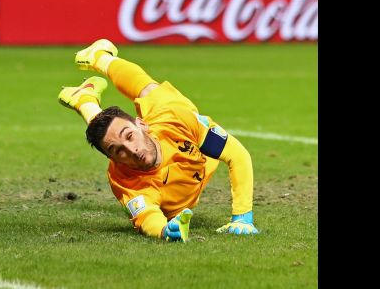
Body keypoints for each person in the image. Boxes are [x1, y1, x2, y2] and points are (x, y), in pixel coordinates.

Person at [58, 39, 259, 242]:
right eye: (119, 152)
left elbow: (237, 154)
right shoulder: (124, 179)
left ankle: (100, 57)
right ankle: (85, 100)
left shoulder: (178, 120)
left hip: (166, 112)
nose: (132, 150)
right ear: (113, 160)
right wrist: (163, 230)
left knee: (147, 88)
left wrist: (242, 218)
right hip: (175, 192)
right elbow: (147, 216)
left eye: (130, 136)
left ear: (142, 124)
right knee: (107, 135)